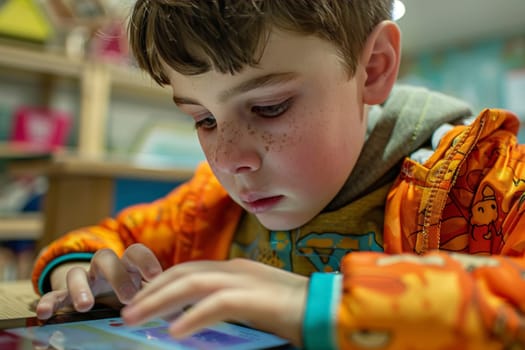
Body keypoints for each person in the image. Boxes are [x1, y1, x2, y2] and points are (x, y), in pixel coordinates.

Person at [32, 1, 525, 349]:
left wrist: (317, 302)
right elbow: (114, 239)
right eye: (203, 119)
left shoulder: (480, 180)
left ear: (373, 69)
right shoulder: (209, 205)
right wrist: (80, 275)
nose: (226, 160)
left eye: (269, 107)